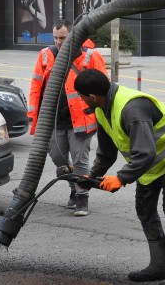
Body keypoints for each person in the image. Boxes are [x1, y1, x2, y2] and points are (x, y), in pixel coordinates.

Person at [75, 68, 165, 285]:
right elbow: (107, 152)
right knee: (145, 209)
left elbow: (145, 152)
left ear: (92, 96)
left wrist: (121, 178)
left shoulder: (131, 108)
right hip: (147, 164)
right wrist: (92, 176)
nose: (80, 101)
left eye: (81, 96)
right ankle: (159, 266)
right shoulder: (101, 108)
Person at [28, 19, 107, 216]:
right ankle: (74, 185)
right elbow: (36, 86)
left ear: (73, 36)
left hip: (80, 119)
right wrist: (32, 114)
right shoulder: (46, 55)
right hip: (53, 120)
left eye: (62, 38)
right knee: (58, 158)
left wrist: (102, 114)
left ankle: (81, 197)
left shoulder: (89, 56)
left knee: (80, 160)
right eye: (55, 38)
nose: (58, 42)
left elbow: (103, 86)